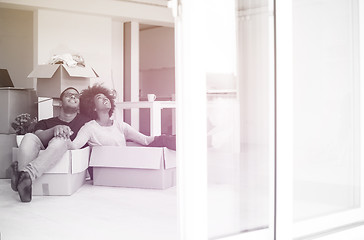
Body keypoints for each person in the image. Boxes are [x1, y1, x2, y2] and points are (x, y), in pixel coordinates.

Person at [10, 87, 90, 202]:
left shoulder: (86, 122)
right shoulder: (45, 122)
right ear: (60, 102)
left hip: (66, 151)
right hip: (44, 149)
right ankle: (24, 181)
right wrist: (54, 129)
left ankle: (24, 175)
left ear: (79, 104)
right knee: (29, 137)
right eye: (68, 94)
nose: (73, 96)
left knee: (61, 139)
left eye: (76, 96)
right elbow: (38, 136)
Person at [67, 84, 176, 150]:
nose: (106, 99)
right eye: (100, 98)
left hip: (123, 166)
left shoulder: (120, 125)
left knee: (166, 139)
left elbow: (146, 140)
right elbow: (73, 146)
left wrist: (167, 139)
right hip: (103, 171)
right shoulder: (89, 128)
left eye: (106, 97)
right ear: (93, 107)